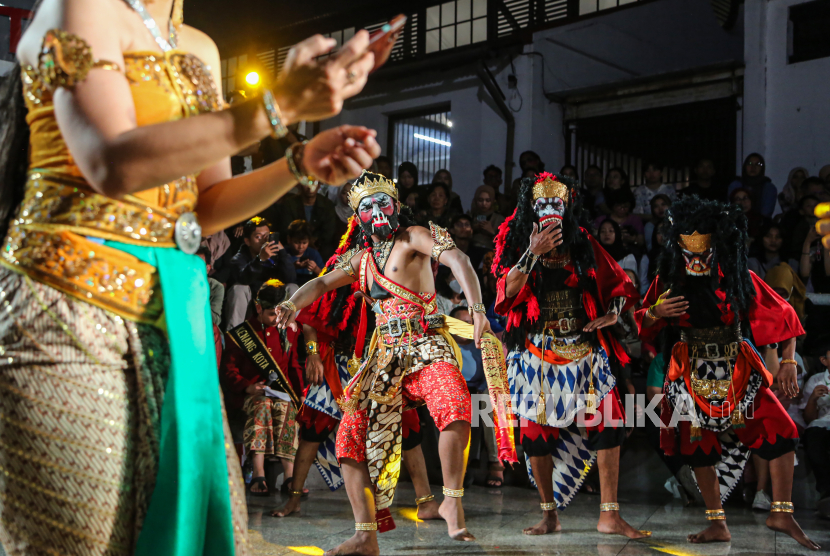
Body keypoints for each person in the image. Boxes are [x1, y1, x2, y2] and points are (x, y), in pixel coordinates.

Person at [0, 0, 386, 551]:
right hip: (64, 305)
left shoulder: (198, 46)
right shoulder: (80, 7)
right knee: (77, 536)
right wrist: (274, 107)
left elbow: (202, 205)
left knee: (193, 526)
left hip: (172, 317)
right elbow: (111, 162)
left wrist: (297, 164)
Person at [273, 171, 512, 554]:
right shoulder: (362, 260)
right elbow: (319, 283)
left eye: (382, 201)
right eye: (367, 205)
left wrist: (478, 308)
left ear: (396, 206)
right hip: (383, 357)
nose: (376, 209)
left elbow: (459, 260)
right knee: (348, 441)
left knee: (453, 404)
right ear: (359, 217)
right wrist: (290, 303)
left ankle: (451, 499)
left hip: (426, 345)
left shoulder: (413, 235)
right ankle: (365, 536)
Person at [636, 196, 818, 550]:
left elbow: (785, 318)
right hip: (690, 376)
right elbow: (638, 331)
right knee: (698, 449)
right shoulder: (668, 281)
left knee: (782, 431)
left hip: (738, 372)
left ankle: (781, 511)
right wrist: (655, 312)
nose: (696, 262)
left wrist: (789, 362)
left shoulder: (737, 277)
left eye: (703, 254)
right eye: (690, 255)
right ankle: (716, 522)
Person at [493, 173, 645, 538]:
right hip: (536, 355)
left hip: (584, 351)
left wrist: (614, 310)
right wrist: (533, 253)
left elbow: (618, 283)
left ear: (567, 207)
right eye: (542, 204)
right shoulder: (516, 243)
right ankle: (549, 515)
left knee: (610, 427)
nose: (549, 210)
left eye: (556, 204)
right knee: (534, 438)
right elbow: (503, 295)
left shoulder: (583, 243)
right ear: (531, 208)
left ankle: (609, 516)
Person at [270, 259, 441, 528]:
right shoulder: (343, 272)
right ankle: (293, 498)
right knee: (313, 428)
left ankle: (426, 502)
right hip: (337, 363)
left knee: (408, 428)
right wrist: (313, 355)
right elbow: (311, 317)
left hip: (380, 361)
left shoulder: (395, 277)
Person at [220, 280, 303, 497]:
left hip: (281, 394)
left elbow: (293, 367)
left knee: (286, 408)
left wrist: (300, 394)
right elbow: (228, 371)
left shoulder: (288, 332)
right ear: (258, 308)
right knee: (262, 406)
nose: (276, 320)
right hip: (250, 396)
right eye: (270, 314)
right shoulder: (240, 335)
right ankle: (258, 472)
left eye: (279, 314)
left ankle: (289, 476)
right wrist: (247, 387)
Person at [449, 306, 504, 488]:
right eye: (461, 323)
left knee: (486, 402)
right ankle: (460, 467)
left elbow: (490, 376)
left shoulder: (481, 345)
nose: (467, 327)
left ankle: (494, 462)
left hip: (478, 392)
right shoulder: (446, 345)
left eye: (470, 323)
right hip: (454, 393)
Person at [224, 217, 297, 330]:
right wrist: (260, 259)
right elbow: (244, 279)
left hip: (275, 304)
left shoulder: (277, 256)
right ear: (247, 241)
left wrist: (282, 252)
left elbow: (291, 278)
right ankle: (234, 336)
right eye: (258, 237)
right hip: (252, 306)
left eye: (266, 236)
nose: (263, 241)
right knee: (238, 289)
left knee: (293, 287)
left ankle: (294, 333)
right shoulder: (239, 258)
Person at [269, 181, 338, 260]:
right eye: (306, 183)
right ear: (300, 184)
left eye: (314, 183)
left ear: (319, 185)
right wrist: (303, 240)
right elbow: (286, 228)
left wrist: (312, 241)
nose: (310, 187)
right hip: (294, 243)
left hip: (319, 245)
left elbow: (329, 231)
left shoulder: (327, 205)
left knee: (328, 251)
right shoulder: (289, 203)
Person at [800, 347, 830, 519]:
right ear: (824, 360)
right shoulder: (816, 380)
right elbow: (809, 419)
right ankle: (826, 493)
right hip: (821, 424)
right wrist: (812, 399)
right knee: (814, 441)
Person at [728, 153, 777, 218]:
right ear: (745, 166)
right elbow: (730, 208)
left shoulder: (768, 187)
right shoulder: (736, 184)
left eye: (758, 164)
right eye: (750, 163)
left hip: (760, 223)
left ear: (762, 168)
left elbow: (766, 213)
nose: (753, 167)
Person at [285, 220, 324, 287]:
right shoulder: (284, 254)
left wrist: (315, 268)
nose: (300, 247)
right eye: (296, 242)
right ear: (289, 239)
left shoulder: (313, 254)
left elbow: (324, 275)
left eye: (304, 243)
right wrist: (294, 267)